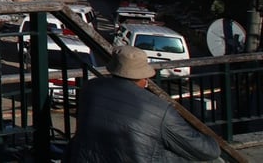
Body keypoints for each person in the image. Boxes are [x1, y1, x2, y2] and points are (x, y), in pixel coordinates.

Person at [66, 45, 221, 162]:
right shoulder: (159, 110)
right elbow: (206, 151)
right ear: (143, 78)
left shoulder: (91, 88)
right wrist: (213, 140)